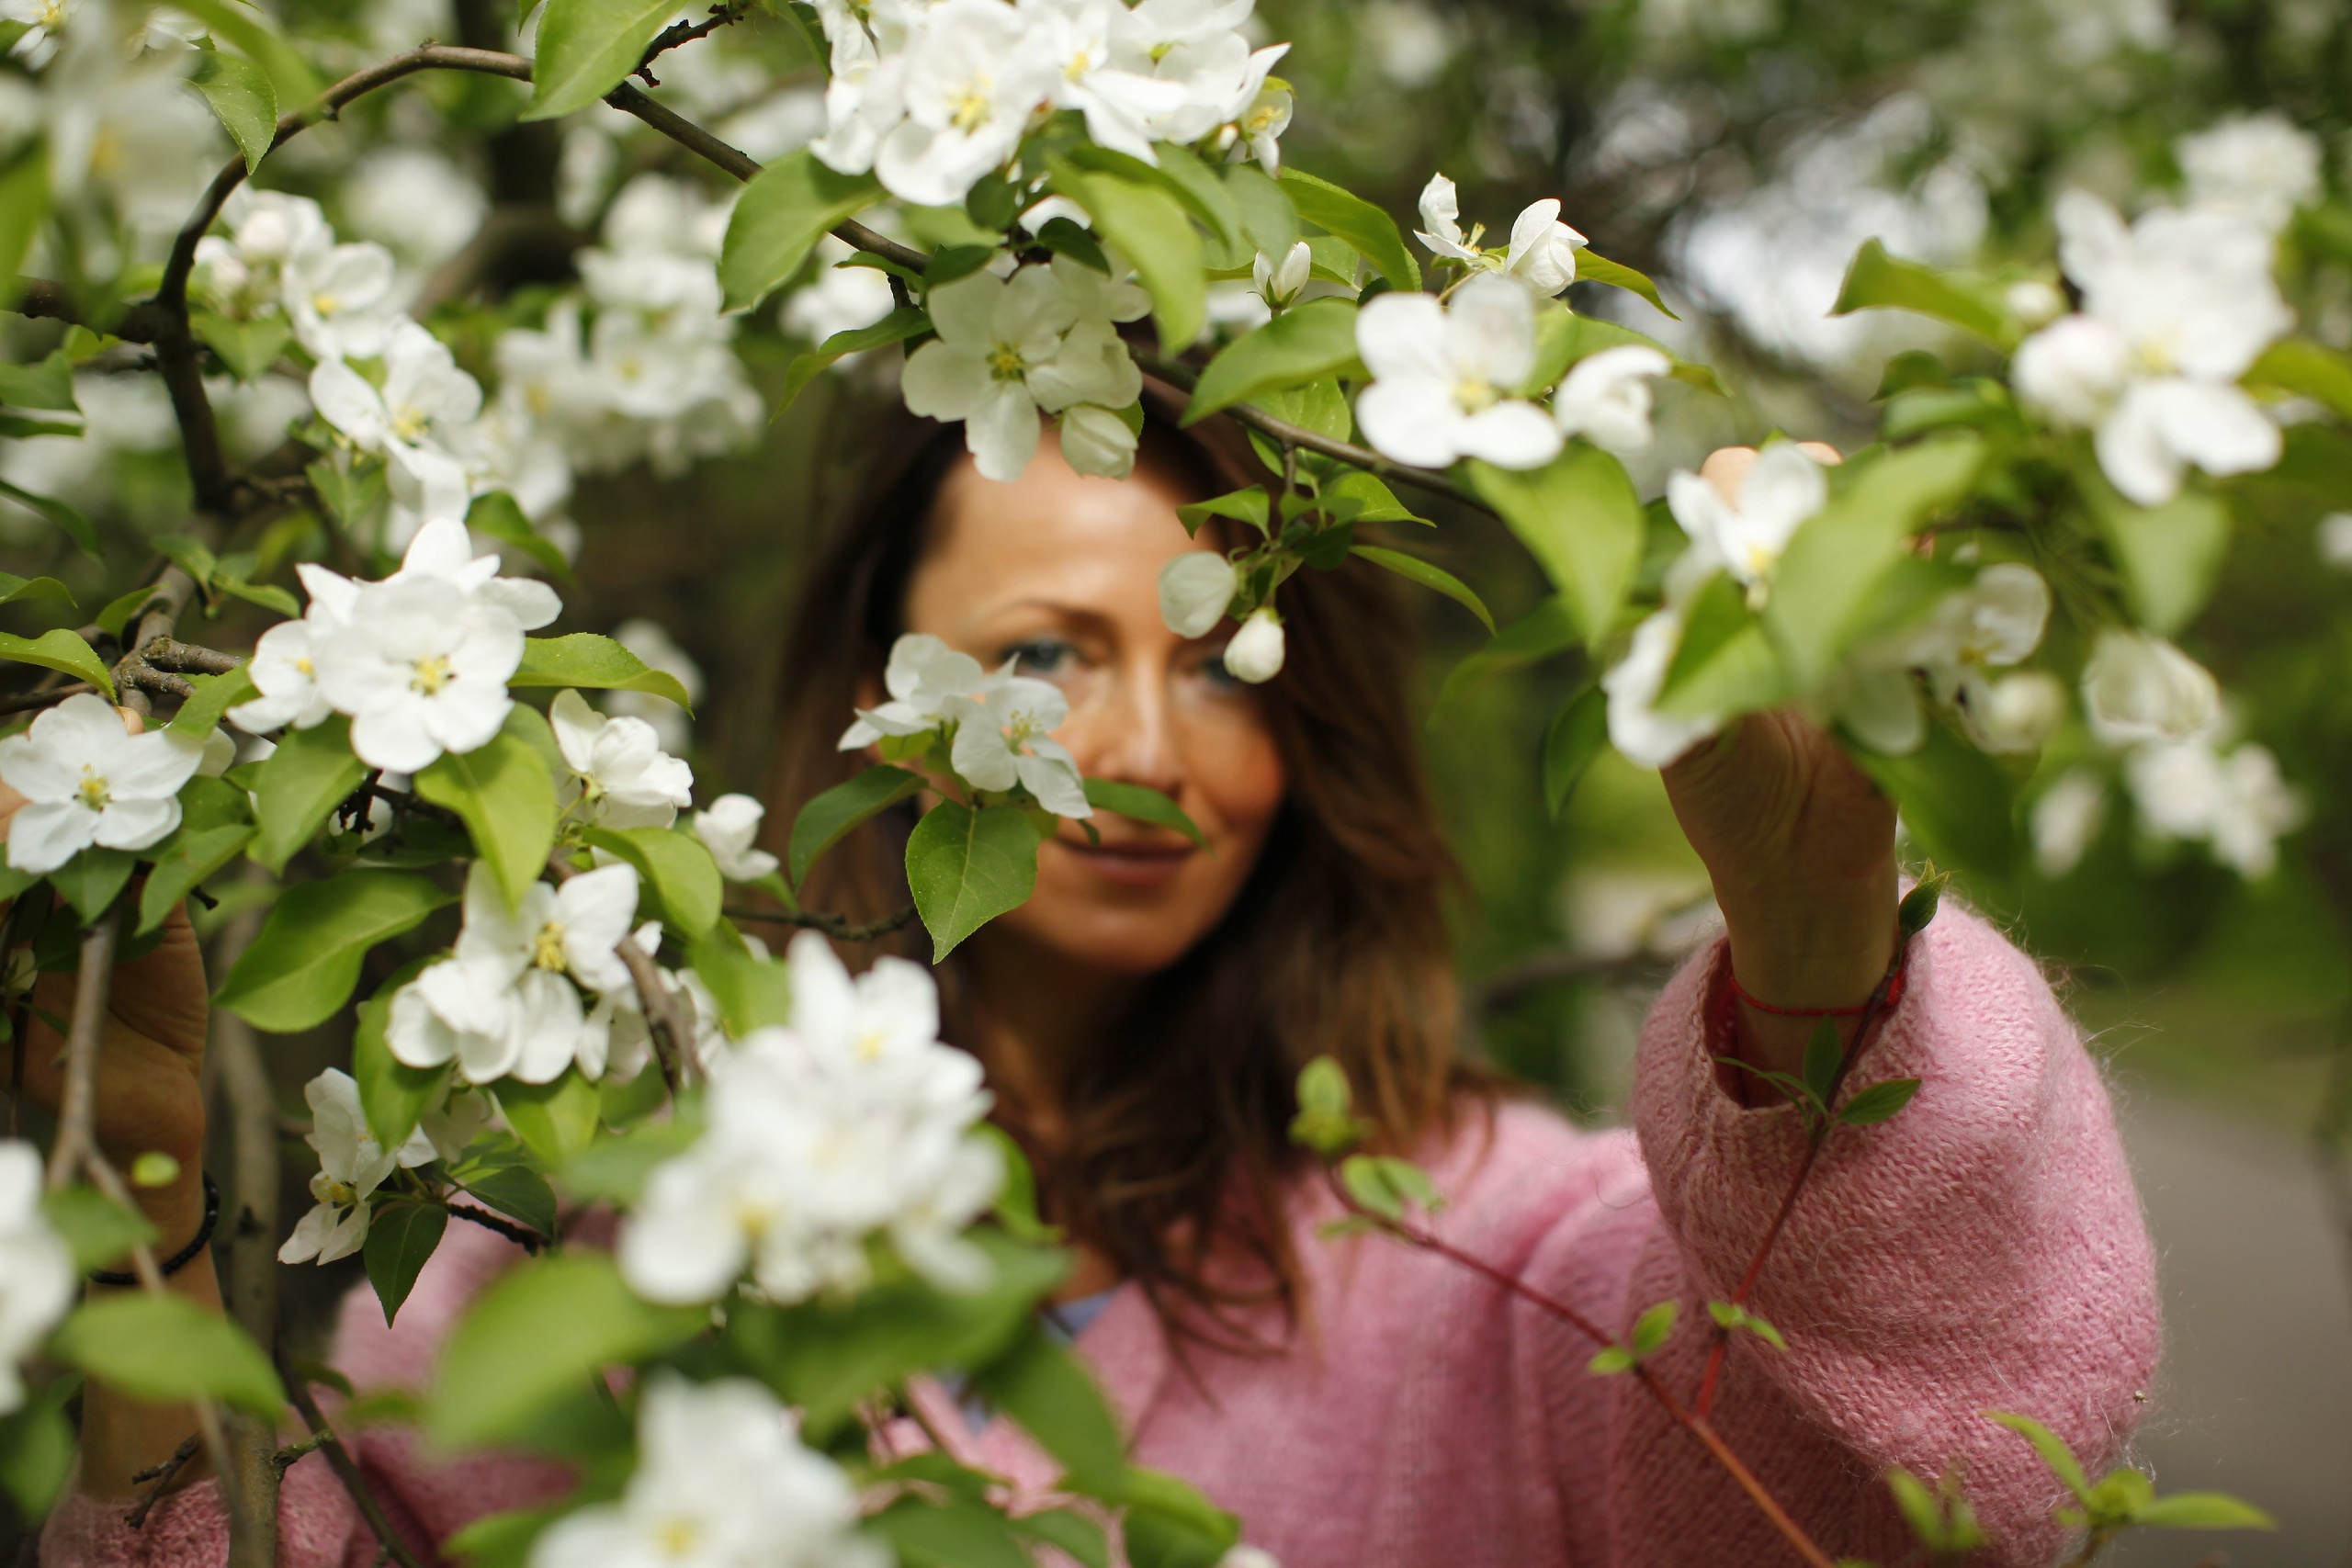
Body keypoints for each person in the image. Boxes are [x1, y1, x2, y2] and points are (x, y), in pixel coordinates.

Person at [19, 388, 2157, 1568]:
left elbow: (1926, 1481)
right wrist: (145, 1240)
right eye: (1042, 652)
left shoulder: (1483, 1243)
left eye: (1217, 663)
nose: (1135, 749)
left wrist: (1810, 968)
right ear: (874, 696)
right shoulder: (610, 1223)